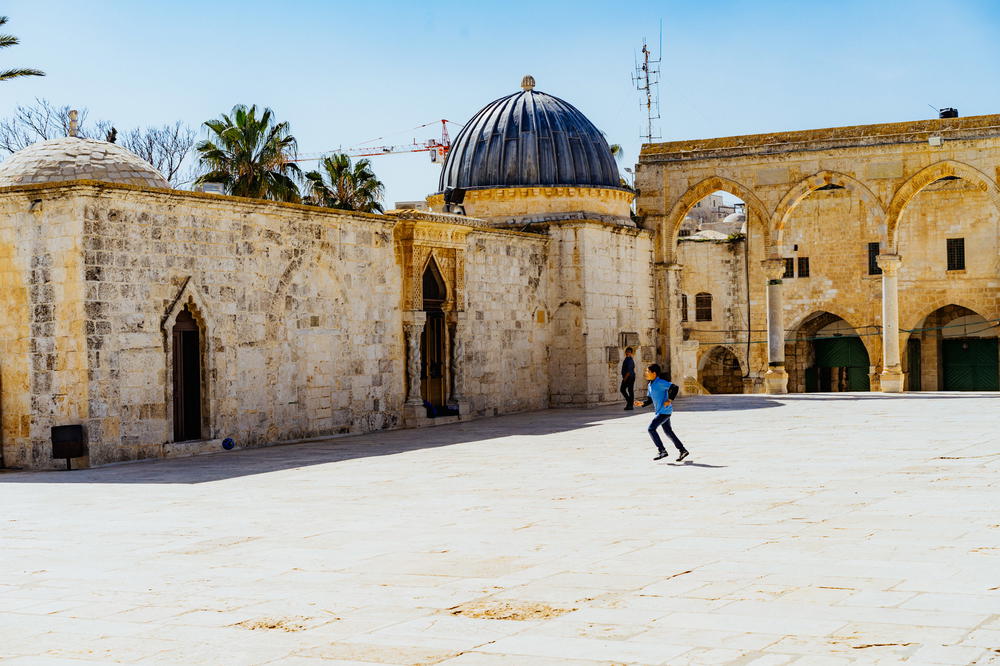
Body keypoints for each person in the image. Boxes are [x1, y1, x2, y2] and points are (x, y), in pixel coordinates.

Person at [634, 364, 689, 462]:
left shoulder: (660, 382)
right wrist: (641, 403)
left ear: (654, 373)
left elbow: (675, 387)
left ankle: (662, 450)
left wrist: (670, 399)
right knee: (668, 432)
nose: (645, 373)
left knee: (651, 429)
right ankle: (682, 450)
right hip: (662, 411)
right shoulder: (650, 385)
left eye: (647, 371)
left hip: (664, 411)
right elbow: (650, 400)